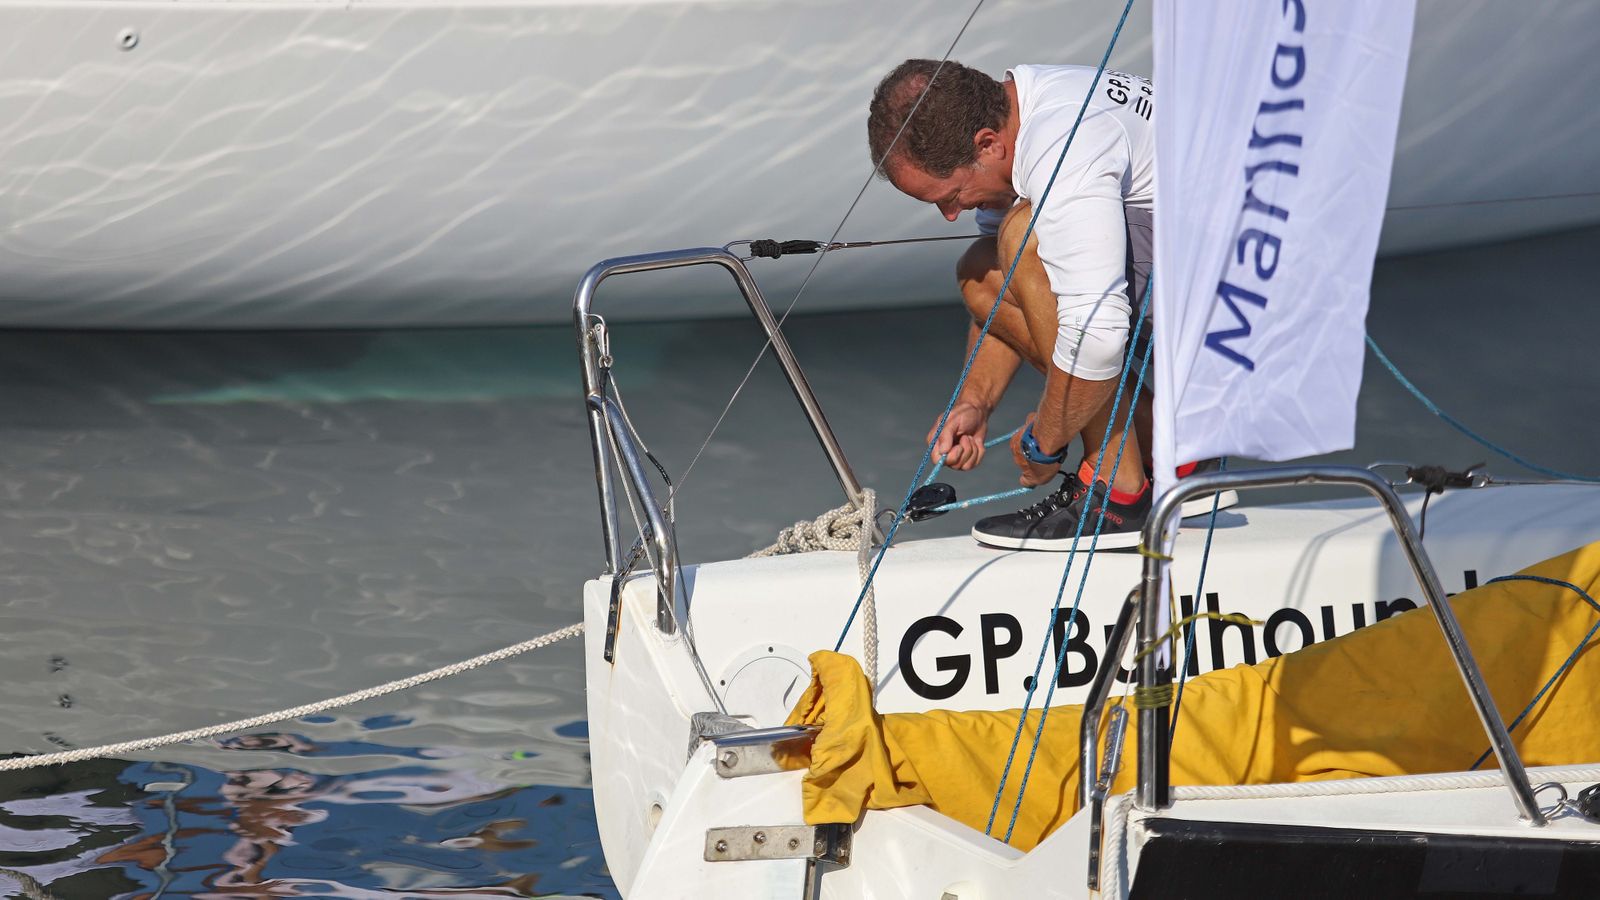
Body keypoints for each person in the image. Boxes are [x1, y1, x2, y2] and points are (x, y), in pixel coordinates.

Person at [869, 59, 1222, 550]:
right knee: (982, 266)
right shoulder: (1021, 109)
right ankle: (1166, 445)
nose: (949, 215)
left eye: (948, 195)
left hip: (1243, 315)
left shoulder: (1062, 139)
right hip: (1190, 281)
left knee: (1022, 237)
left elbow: (1096, 339)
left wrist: (1046, 444)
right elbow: (1009, 291)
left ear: (987, 144)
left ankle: (1119, 495)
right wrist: (975, 401)